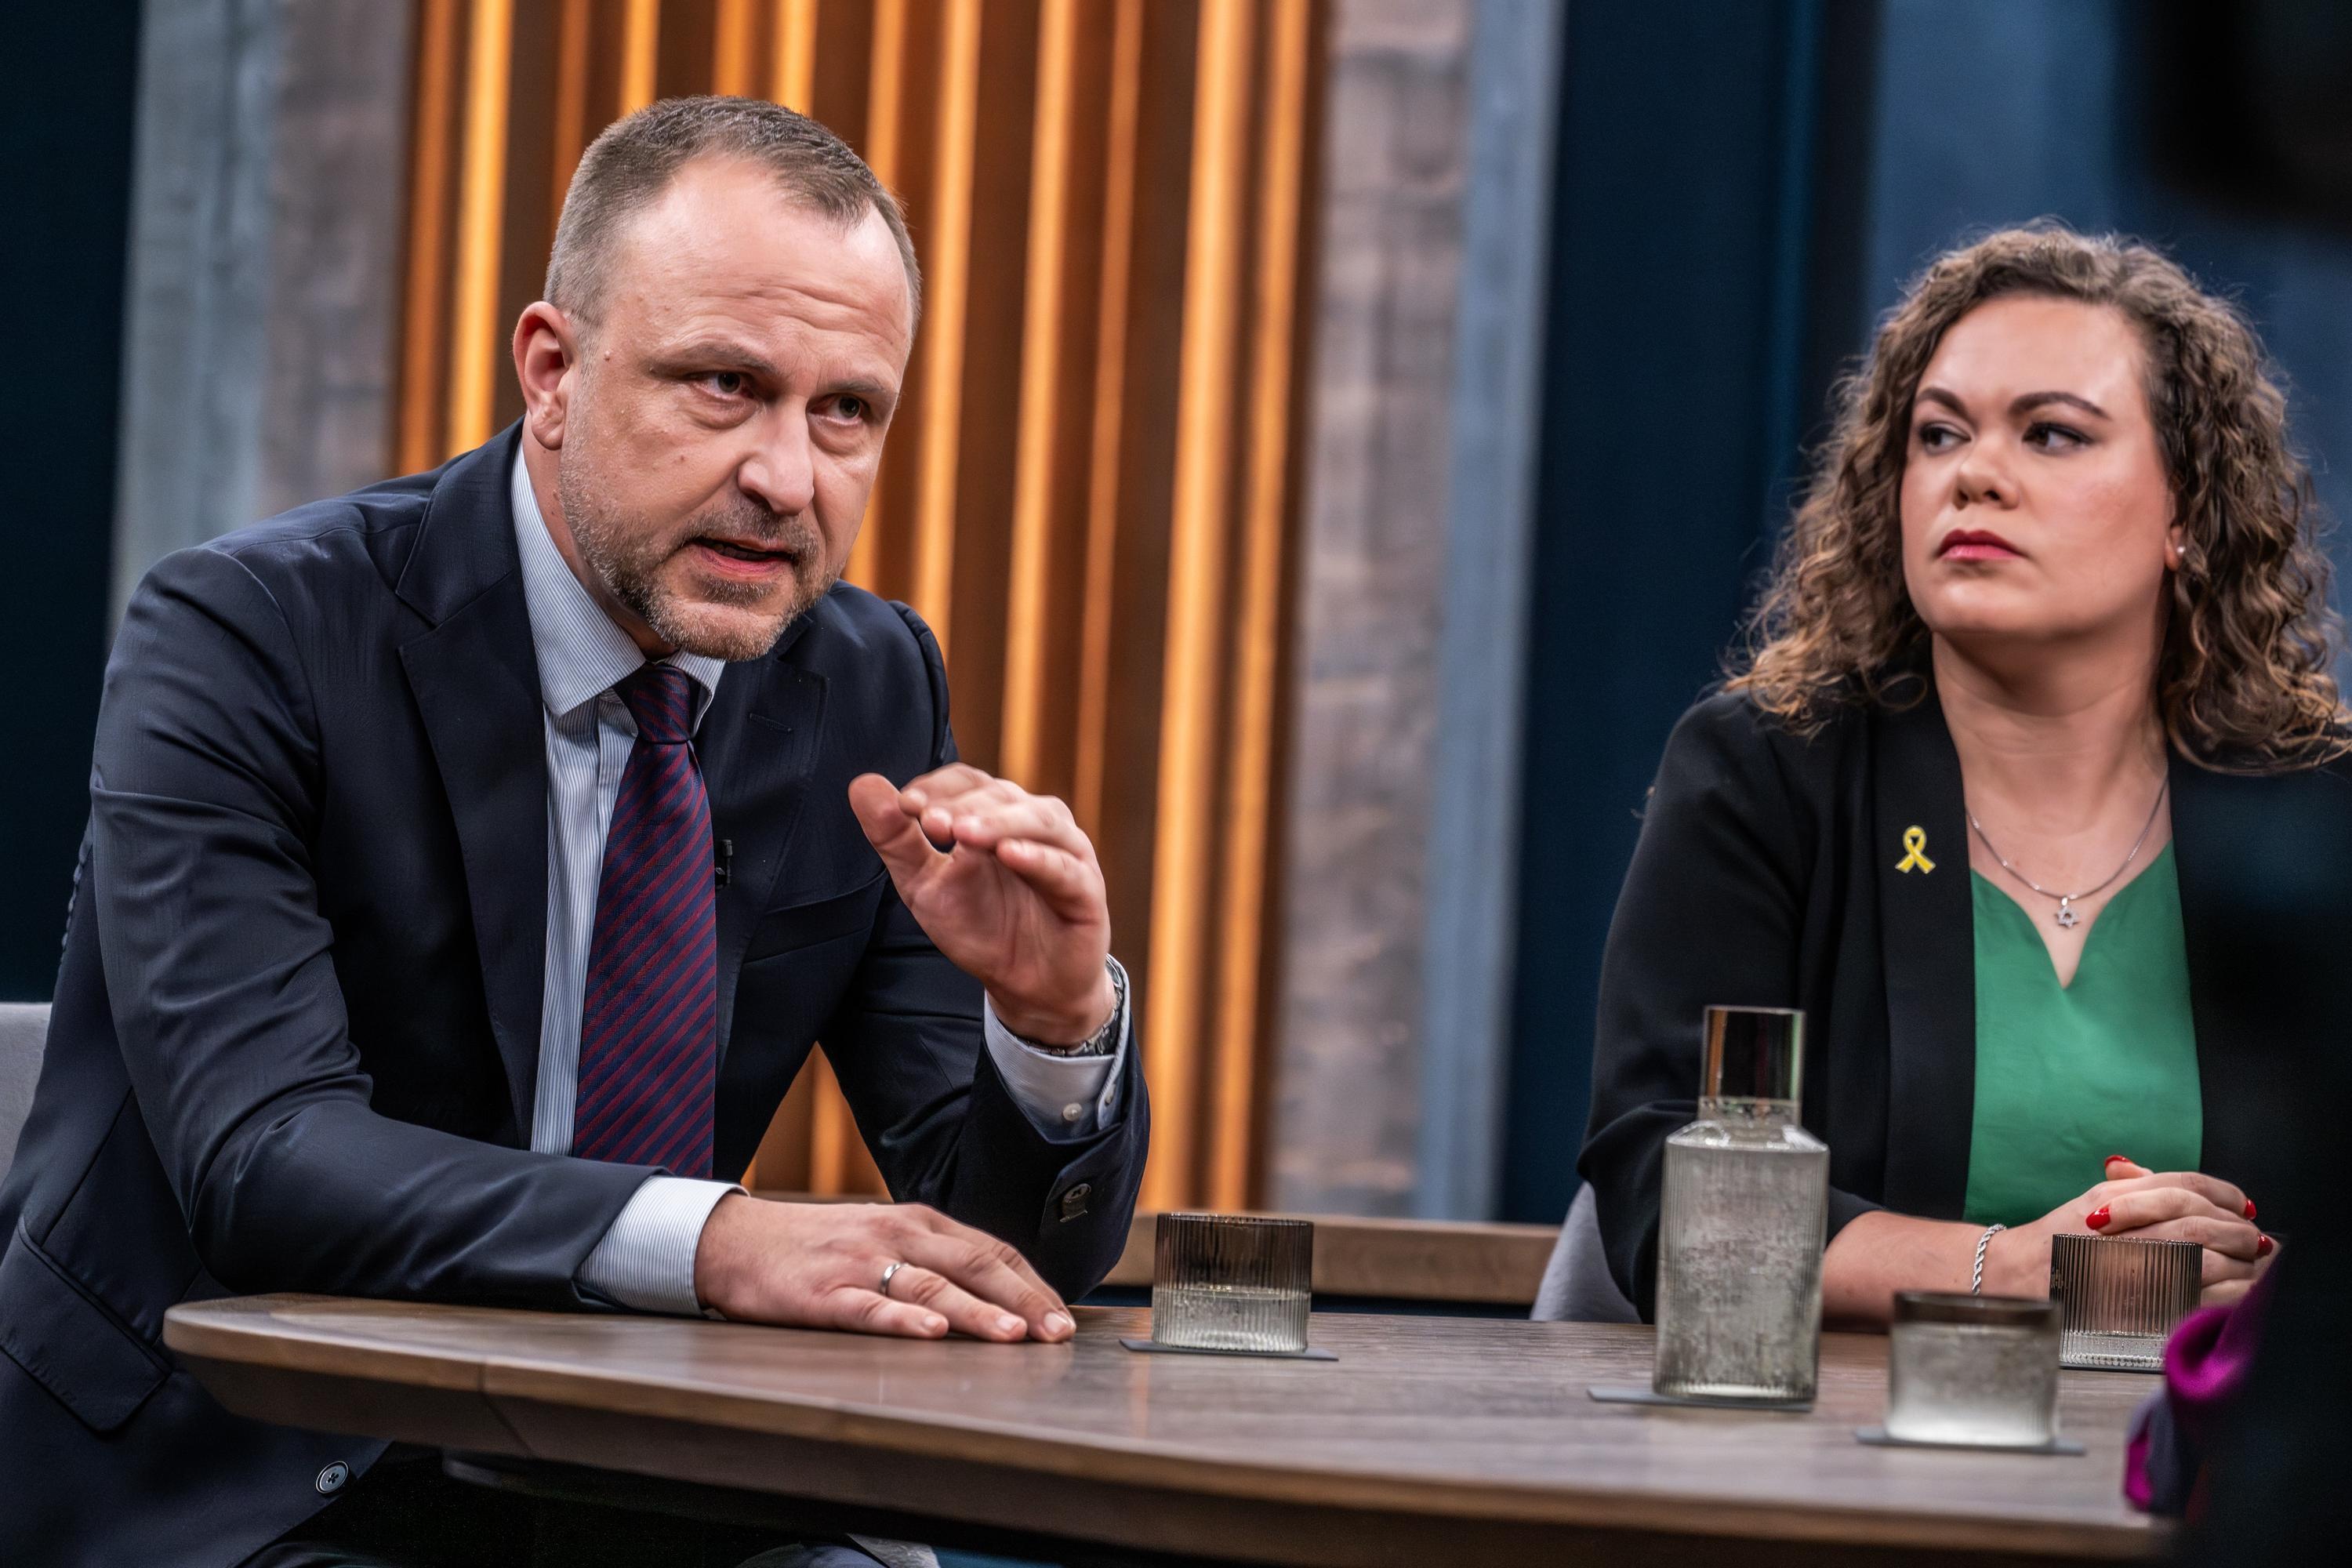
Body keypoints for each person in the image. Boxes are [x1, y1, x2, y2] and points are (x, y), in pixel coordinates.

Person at [0, 97, 1148, 1567]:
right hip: (243, 1476)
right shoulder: (251, 632)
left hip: (646, 1483)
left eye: (846, 412)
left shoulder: (868, 682)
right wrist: (719, 1240)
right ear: (551, 370)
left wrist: (1051, 1031)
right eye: (725, 385)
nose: (788, 478)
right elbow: (266, 1159)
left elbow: (1001, 1272)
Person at [1579, 223, 2352, 1327]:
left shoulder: (2317, 808)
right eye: (1938, 435)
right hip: (1857, 1426)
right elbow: (1667, 1194)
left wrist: (2296, 1299)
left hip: (2215, 1427)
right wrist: (2013, 1269)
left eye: (2052, 435)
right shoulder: (1769, 775)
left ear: (2187, 511)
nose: (1973, 475)